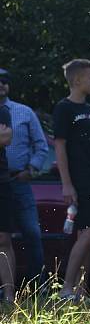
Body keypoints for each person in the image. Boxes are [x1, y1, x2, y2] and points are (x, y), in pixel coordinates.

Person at [53, 59, 90, 300]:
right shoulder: (64, 109)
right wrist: (67, 183)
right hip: (80, 179)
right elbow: (60, 147)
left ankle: (81, 290)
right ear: (77, 80)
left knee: (87, 233)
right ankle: (67, 288)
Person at [0, 68, 48, 287]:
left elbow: (41, 145)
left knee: (31, 231)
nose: (1, 84)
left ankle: (37, 285)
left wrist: (31, 169)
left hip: (18, 180)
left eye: (5, 81)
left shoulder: (24, 112)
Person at [0, 104, 15, 302]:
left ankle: (9, 296)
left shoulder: (2, 110)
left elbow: (6, 138)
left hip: (1, 182)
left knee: (3, 238)